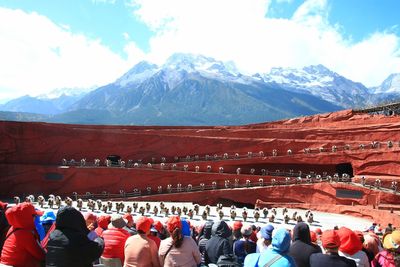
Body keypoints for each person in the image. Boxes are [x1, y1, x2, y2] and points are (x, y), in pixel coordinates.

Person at [0, 202, 45, 267]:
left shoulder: (13, 227)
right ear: (27, 217)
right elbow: (41, 255)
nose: (35, 218)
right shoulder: (25, 233)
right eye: (34, 215)